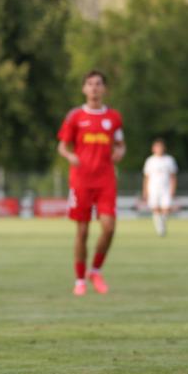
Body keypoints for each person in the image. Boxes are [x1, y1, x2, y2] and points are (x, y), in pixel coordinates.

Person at [57, 70, 125, 296]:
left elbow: (120, 144)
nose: (94, 88)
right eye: (90, 84)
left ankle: (95, 270)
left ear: (104, 89)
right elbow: (62, 146)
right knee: (83, 231)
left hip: (105, 179)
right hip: (81, 180)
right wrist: (70, 156)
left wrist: (120, 152)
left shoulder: (113, 117)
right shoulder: (75, 116)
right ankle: (79, 279)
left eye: (98, 84)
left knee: (109, 227)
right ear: (84, 89)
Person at [142, 138, 177, 236]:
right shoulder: (150, 160)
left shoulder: (169, 160)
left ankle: (162, 223)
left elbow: (173, 176)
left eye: (160, 147)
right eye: (157, 147)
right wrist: (145, 191)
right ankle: (160, 227)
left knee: (166, 208)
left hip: (166, 188)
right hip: (153, 188)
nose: (159, 149)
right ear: (153, 148)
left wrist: (173, 189)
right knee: (155, 208)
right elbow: (146, 177)